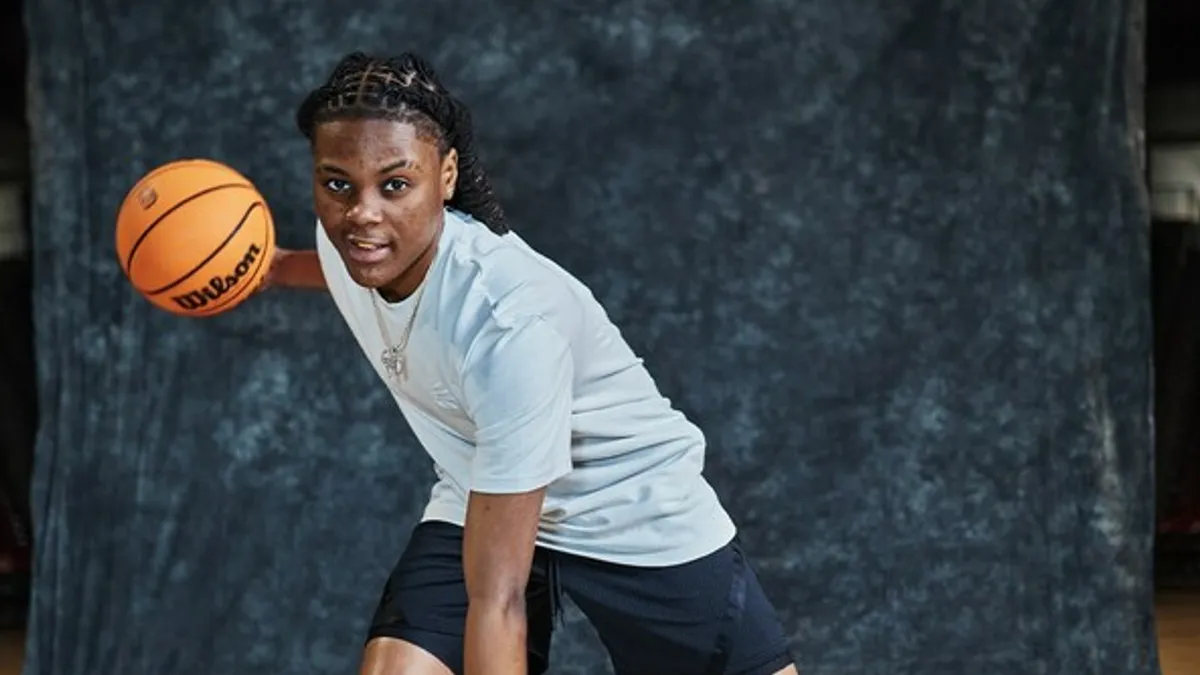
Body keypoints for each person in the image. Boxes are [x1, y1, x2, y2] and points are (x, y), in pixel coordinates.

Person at [263, 51, 799, 675]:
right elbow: (320, 266)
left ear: (447, 175)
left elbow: (499, 601)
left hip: (629, 508)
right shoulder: (359, 245)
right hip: (483, 493)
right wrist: (259, 269)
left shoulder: (508, 324)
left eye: (395, 184)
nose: (362, 213)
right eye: (336, 184)